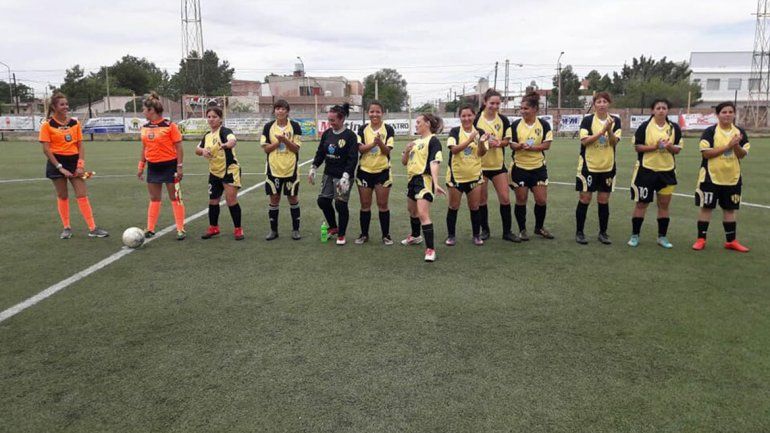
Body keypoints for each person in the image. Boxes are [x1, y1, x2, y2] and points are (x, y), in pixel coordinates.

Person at [39, 92, 108, 239]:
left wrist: (80, 165)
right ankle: (67, 228)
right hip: (56, 163)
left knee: (82, 194)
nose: (66, 107)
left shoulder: (75, 123)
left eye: (66, 104)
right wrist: (60, 167)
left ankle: (93, 228)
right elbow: (46, 150)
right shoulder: (47, 125)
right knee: (62, 195)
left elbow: (80, 145)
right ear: (54, 107)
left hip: (73, 162)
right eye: (62, 104)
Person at [692, 101, 750, 252]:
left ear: (734, 114)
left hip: (732, 178)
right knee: (706, 208)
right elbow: (706, 153)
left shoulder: (740, 132)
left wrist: (736, 145)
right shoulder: (710, 132)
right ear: (717, 115)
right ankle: (701, 239)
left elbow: (742, 155)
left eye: (730, 112)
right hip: (710, 177)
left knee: (730, 210)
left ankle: (731, 241)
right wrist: (728, 146)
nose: (727, 115)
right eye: (724, 112)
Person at [628, 98, 682, 248]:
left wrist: (669, 147)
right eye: (658, 108)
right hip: (646, 170)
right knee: (641, 204)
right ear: (653, 110)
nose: (661, 110)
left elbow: (677, 149)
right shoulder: (645, 127)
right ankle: (635, 235)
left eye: (664, 108)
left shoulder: (674, 128)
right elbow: (638, 147)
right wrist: (656, 147)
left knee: (664, 205)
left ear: (667, 110)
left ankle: (662, 237)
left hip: (667, 171)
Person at [136, 92, 186, 240]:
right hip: (153, 167)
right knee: (154, 198)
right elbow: (144, 148)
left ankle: (180, 229)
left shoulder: (170, 126)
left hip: (170, 166)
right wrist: (141, 166)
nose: (143, 112)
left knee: (175, 197)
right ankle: (150, 228)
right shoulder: (144, 127)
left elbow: (179, 147)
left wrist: (179, 166)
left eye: (144, 109)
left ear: (151, 110)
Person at [308, 103, 359, 245]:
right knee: (323, 201)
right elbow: (321, 153)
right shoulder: (327, 134)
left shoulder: (350, 136)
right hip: (329, 173)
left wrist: (346, 176)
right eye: (329, 120)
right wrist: (314, 167)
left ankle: (341, 235)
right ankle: (333, 227)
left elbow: (353, 158)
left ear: (342, 119)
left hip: (343, 176)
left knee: (340, 204)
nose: (330, 123)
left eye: (333, 120)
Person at [575, 91, 621, 245]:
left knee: (603, 200)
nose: (602, 104)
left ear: (609, 104)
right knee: (585, 198)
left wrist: (609, 130)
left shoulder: (615, 121)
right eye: (599, 102)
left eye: (604, 101)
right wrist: (602, 131)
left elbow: (614, 142)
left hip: (607, 167)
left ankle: (603, 233)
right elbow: (584, 141)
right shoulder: (588, 120)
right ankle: (579, 232)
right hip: (589, 166)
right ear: (594, 104)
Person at [474, 89, 518, 242]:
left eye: (498, 103)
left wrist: (499, 143)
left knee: (505, 198)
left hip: (498, 166)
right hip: (480, 166)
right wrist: (483, 143)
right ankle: (485, 231)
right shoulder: (476, 120)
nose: (495, 106)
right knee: (482, 200)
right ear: (485, 102)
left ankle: (507, 232)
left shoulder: (503, 120)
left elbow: (507, 141)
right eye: (492, 103)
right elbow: (471, 139)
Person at [509, 91, 554, 240]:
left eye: (526, 108)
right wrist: (519, 146)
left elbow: (547, 145)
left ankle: (539, 227)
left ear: (535, 109)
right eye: (521, 108)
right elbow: (511, 144)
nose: (522, 111)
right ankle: (522, 230)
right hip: (520, 168)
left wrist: (532, 148)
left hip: (538, 168)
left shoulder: (544, 125)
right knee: (521, 199)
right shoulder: (516, 125)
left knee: (541, 200)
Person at [401, 113, 446, 262]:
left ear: (427, 124)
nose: (416, 125)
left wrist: (436, 183)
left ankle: (430, 249)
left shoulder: (433, 141)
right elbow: (404, 162)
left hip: (424, 179)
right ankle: (415, 236)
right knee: (412, 210)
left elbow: (434, 162)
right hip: (412, 180)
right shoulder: (415, 142)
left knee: (422, 214)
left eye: (419, 122)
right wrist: (407, 150)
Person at [195, 107, 243, 240]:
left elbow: (233, 140)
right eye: (209, 117)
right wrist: (203, 151)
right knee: (213, 200)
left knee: (231, 200)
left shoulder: (224, 131)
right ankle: (213, 227)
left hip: (229, 170)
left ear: (220, 119)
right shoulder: (207, 136)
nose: (211, 119)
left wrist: (225, 145)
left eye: (214, 117)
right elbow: (197, 149)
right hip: (214, 171)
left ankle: (238, 229)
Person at [445, 104, 488, 246]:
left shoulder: (480, 132)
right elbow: (454, 150)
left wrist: (481, 143)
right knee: (453, 207)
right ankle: (451, 236)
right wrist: (470, 140)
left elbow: (481, 153)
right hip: (456, 177)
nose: (466, 118)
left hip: (474, 176)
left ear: (474, 116)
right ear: (460, 117)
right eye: (463, 116)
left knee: (475, 207)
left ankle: (476, 235)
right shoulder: (455, 131)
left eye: (469, 115)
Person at [261, 99, 303, 240]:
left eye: (283, 109)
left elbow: (296, 148)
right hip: (273, 169)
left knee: (293, 198)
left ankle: (296, 230)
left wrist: (285, 140)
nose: (280, 111)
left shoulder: (295, 126)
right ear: (274, 111)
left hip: (291, 169)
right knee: (274, 198)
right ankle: (273, 231)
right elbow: (266, 149)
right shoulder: (268, 127)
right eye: (277, 108)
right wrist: (278, 142)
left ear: (287, 111)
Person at [355, 101, 395, 245]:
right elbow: (360, 149)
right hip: (365, 171)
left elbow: (387, 151)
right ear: (368, 113)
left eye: (377, 111)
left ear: (382, 113)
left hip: (382, 172)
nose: (374, 114)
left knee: (382, 204)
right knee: (365, 204)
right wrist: (373, 143)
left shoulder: (388, 129)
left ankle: (386, 235)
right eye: (372, 111)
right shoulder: (362, 129)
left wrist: (380, 143)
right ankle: (364, 235)